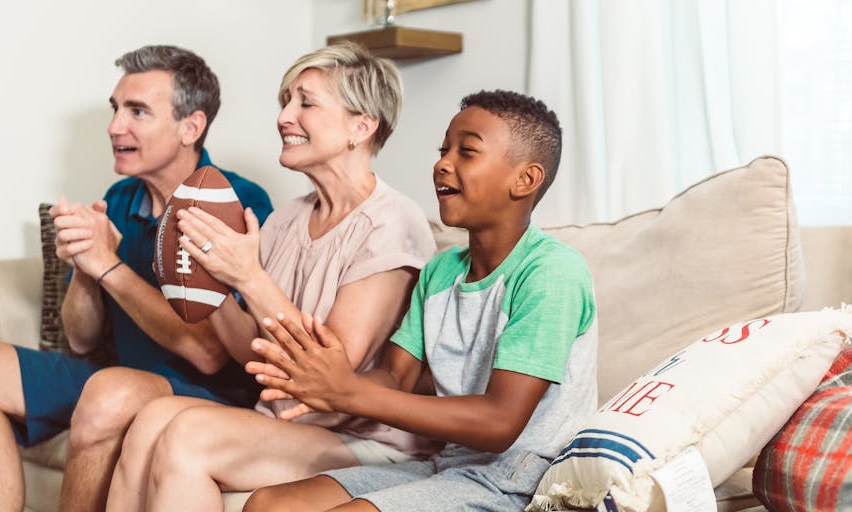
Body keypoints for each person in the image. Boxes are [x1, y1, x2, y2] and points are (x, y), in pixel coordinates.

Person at [0, 45, 274, 512]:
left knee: (109, 392)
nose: (115, 127)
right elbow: (80, 337)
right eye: (116, 109)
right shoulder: (119, 196)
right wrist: (86, 270)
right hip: (115, 378)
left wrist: (109, 268)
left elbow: (209, 352)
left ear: (190, 127)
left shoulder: (233, 200)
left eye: (137, 111)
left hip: (205, 394)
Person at [104, 41, 438, 511]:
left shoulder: (391, 222)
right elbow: (250, 353)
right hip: (285, 426)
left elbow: (331, 372)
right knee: (151, 420)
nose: (285, 116)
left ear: (360, 127)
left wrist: (246, 275)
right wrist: (210, 280)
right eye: (286, 101)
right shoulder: (285, 219)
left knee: (187, 437)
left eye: (306, 102)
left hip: (364, 441)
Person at [242, 90, 598, 512]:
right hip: (449, 463)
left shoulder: (551, 273)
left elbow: (500, 422)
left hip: (522, 480)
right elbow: (396, 377)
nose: (443, 163)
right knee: (269, 504)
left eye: (467, 152)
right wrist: (332, 379)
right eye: (443, 149)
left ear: (525, 180)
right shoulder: (441, 271)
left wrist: (348, 395)